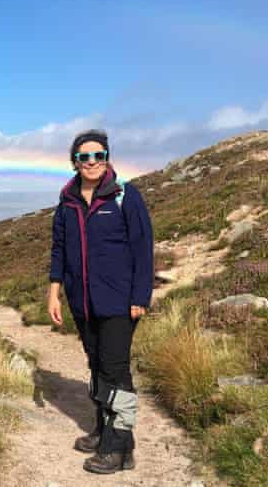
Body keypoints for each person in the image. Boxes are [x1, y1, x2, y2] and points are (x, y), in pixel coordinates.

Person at [46, 129, 154, 474]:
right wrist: (55, 292)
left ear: (107, 157)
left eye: (98, 154)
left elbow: (142, 248)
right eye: (84, 156)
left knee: (115, 370)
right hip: (83, 302)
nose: (92, 161)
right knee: (96, 366)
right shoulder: (67, 202)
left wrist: (140, 297)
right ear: (74, 162)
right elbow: (59, 250)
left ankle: (118, 449)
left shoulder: (125, 196)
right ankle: (104, 429)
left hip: (120, 302)